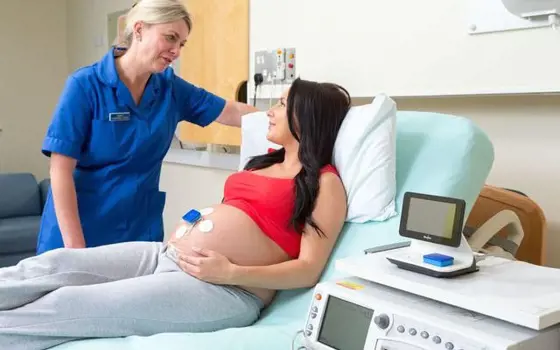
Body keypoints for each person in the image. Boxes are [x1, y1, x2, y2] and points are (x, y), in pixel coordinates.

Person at [0, 77, 351, 350]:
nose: (269, 112)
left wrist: (231, 272)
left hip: (224, 290)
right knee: (51, 266)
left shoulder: (324, 182)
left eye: (281, 104)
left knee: (67, 303)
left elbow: (308, 269)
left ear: (307, 117)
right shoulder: (263, 164)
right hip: (165, 256)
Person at [37, 0, 259, 255]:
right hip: (78, 232)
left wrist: (288, 118)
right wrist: (75, 250)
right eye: (170, 38)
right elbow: (60, 170)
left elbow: (230, 111)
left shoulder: (170, 88)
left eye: (182, 43)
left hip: (136, 232)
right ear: (139, 30)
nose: (176, 50)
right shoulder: (85, 85)